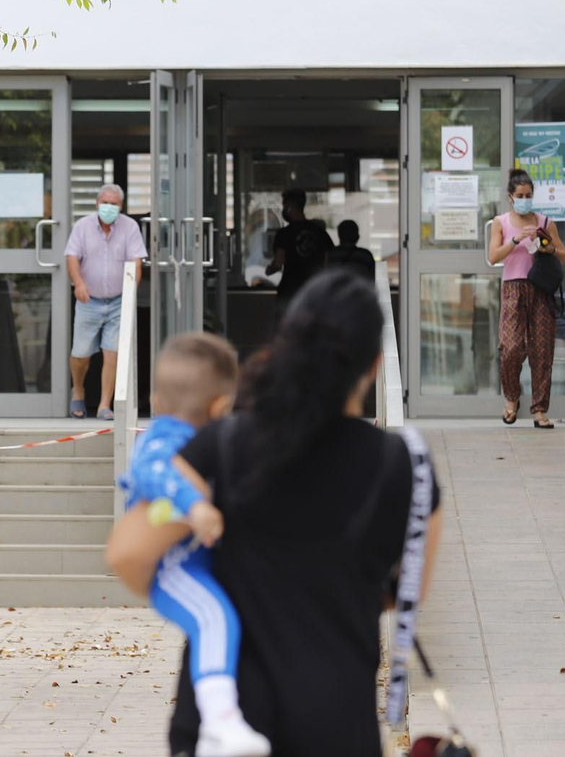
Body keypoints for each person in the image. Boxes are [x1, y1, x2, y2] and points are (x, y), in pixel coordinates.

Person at [106, 271, 443, 757]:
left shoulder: (219, 447)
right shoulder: (406, 466)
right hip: (337, 725)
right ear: (372, 364)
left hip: (224, 728)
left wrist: (194, 575)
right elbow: (406, 591)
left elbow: (128, 554)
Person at [116, 333, 271, 757]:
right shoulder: (163, 439)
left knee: (216, 621)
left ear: (155, 396)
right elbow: (155, 472)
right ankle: (221, 720)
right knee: (213, 619)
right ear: (221, 407)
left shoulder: (182, 437)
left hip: (191, 565)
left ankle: (213, 730)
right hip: (174, 568)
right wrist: (195, 506)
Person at [487, 167, 565, 429]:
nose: (525, 199)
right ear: (510, 197)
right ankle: (512, 399)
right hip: (513, 289)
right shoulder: (501, 222)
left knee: (542, 350)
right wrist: (515, 240)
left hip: (541, 289)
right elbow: (493, 257)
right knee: (511, 348)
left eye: (529, 194)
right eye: (520, 195)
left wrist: (547, 245)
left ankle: (539, 410)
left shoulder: (545, 222)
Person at [64, 183, 145, 419]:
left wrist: (131, 292)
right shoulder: (82, 227)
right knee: (81, 354)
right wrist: (78, 283)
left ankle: (104, 405)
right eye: (105, 202)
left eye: (114, 203)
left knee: (113, 354)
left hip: (118, 301)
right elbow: (71, 257)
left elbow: (136, 262)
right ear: (96, 204)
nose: (109, 207)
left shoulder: (130, 227)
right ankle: (77, 390)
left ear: (121, 206)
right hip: (89, 301)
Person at [263, 188, 332, 308]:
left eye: (284, 205)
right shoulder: (320, 232)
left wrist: (269, 270)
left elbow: (278, 264)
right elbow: (327, 264)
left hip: (290, 293)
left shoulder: (284, 234)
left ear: (289, 207)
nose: (284, 209)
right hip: (313, 292)